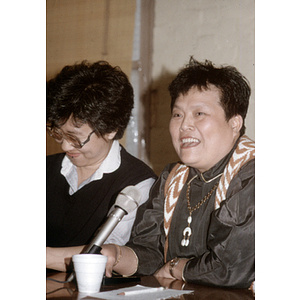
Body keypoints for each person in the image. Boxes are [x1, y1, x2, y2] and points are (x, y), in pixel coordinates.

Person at [101, 57, 255, 289]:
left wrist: (176, 267)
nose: (184, 125)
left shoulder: (253, 175)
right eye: (177, 114)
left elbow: (230, 268)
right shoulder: (172, 178)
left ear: (235, 123)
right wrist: (115, 254)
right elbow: (151, 253)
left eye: (199, 114)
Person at [46, 61, 157, 272]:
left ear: (111, 129)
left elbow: (103, 253)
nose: (65, 145)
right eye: (58, 133)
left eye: (75, 137)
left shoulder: (137, 184)